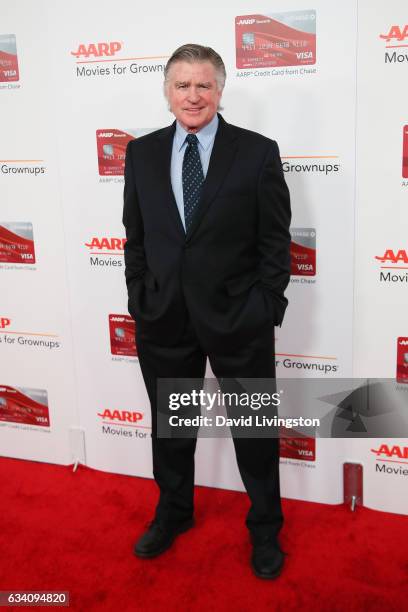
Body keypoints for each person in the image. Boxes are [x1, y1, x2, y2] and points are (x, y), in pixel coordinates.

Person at [122, 43, 291, 579]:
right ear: (166, 91)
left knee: (255, 433)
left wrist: (264, 308)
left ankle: (265, 529)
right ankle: (174, 513)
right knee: (171, 429)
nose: (192, 96)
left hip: (240, 320)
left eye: (203, 85)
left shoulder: (258, 151)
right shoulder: (141, 154)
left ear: (220, 90)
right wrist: (139, 296)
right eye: (182, 85)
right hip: (165, 319)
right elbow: (136, 237)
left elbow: (275, 242)